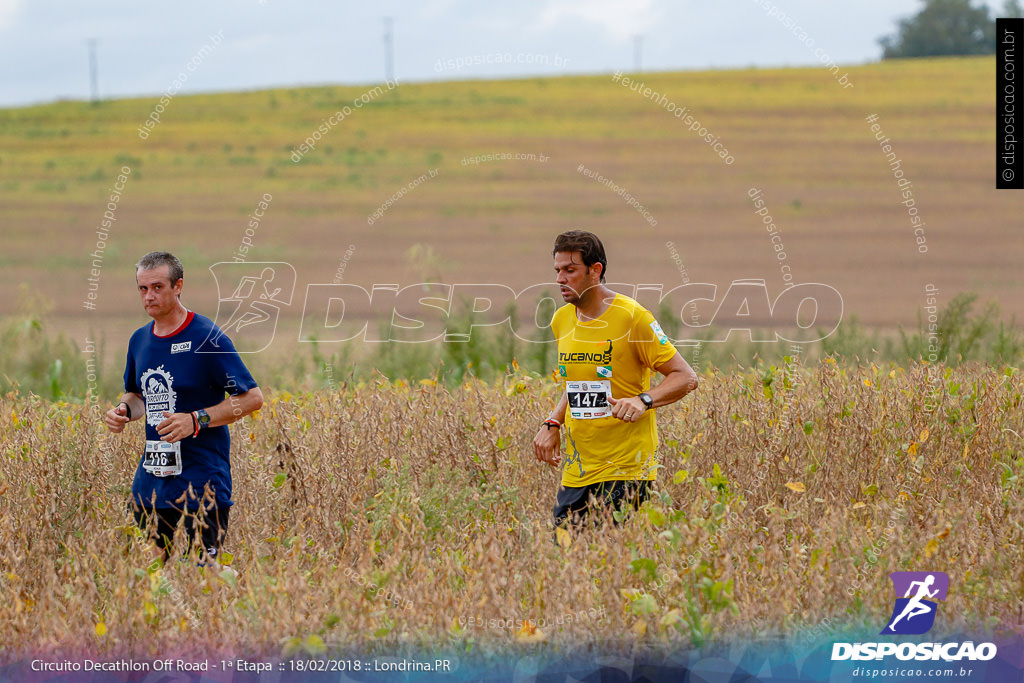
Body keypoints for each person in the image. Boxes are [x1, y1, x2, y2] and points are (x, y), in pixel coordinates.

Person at [104, 251, 263, 565]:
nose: (149, 296)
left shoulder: (207, 337)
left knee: (203, 577)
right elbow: (137, 396)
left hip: (202, 480)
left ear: (178, 287)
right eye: (142, 288)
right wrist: (122, 410)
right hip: (151, 480)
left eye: (158, 287)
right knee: (143, 573)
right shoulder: (139, 341)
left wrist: (196, 419)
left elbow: (252, 398)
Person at [533, 231, 698, 529]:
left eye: (570, 270)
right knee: (566, 563)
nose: (560, 279)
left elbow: (685, 377)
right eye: (557, 271)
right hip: (578, 470)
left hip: (627, 469)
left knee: (610, 567)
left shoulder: (632, 317)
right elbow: (576, 382)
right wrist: (554, 421)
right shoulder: (561, 320)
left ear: (595, 271)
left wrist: (643, 400)